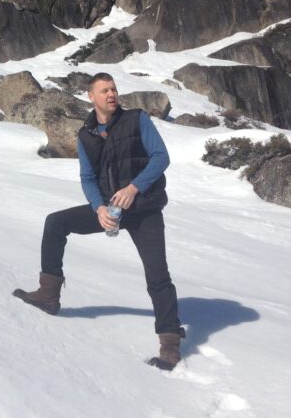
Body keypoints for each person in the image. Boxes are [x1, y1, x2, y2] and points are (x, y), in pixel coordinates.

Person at [13, 72, 184, 370]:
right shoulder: (86, 135)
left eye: (113, 89)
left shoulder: (136, 120)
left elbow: (160, 157)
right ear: (91, 96)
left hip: (144, 208)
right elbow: (88, 177)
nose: (111, 94)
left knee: (157, 273)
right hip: (112, 209)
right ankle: (48, 295)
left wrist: (134, 188)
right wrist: (98, 208)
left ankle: (169, 343)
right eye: (104, 90)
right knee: (55, 223)